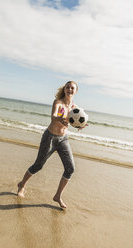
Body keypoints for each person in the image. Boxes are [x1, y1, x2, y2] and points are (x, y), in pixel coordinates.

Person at [17, 81, 87, 209]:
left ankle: (57, 196)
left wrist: (80, 125)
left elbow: (74, 121)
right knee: (38, 165)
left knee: (70, 168)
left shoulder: (75, 108)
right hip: (50, 137)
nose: (70, 90)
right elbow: (53, 116)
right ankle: (21, 184)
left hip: (63, 139)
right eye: (68, 87)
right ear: (65, 89)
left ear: (76, 91)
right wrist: (59, 118)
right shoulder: (58, 102)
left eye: (72, 88)